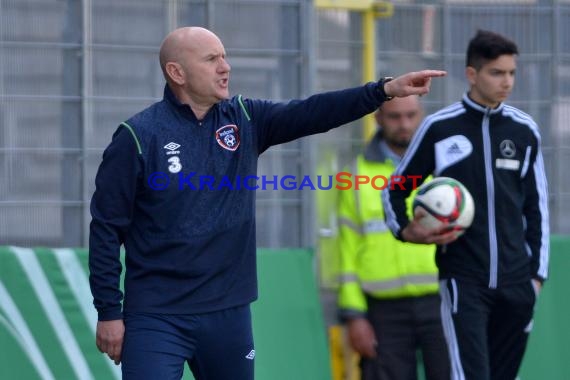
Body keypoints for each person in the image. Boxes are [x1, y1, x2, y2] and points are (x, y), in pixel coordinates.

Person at [88, 25, 446, 380]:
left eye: (225, 57)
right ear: (176, 72)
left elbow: (313, 112)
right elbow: (106, 229)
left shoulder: (245, 118)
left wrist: (381, 91)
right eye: (212, 59)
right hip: (157, 316)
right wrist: (109, 312)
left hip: (229, 312)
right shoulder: (137, 137)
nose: (225, 67)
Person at [382, 30, 549, 380]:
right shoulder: (439, 128)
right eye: (496, 73)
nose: (507, 82)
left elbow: (537, 208)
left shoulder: (524, 131)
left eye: (511, 73)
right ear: (472, 74)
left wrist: (536, 277)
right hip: (464, 280)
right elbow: (395, 189)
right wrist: (405, 230)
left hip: (518, 282)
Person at [337, 95, 450, 380]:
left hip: (442, 300)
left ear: (421, 114)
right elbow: (346, 250)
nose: (404, 124)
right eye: (395, 116)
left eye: (411, 115)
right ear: (377, 119)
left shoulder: (443, 169)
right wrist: (355, 315)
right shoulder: (356, 176)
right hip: (382, 310)